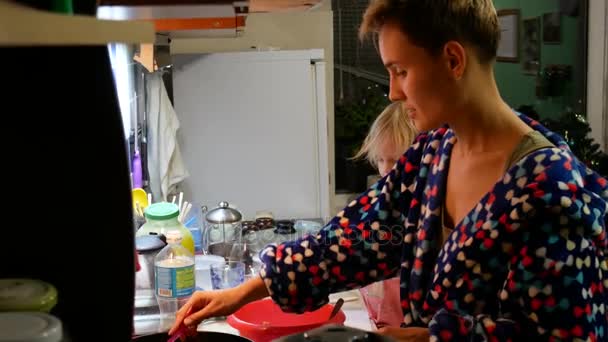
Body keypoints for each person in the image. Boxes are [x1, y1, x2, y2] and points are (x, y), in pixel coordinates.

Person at [171, 1, 608, 341]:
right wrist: (245, 290)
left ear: (453, 61)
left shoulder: (551, 190)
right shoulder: (432, 155)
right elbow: (360, 238)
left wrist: (430, 338)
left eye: (401, 70)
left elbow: (562, 335)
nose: (394, 91)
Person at [352, 101, 417, 329]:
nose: (386, 170)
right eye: (380, 159)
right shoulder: (381, 201)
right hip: (376, 318)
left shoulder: (421, 213)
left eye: (396, 160)